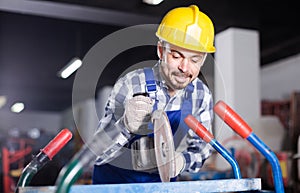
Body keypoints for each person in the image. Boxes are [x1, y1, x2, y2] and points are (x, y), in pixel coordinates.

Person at [92, 4, 215, 184]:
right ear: (160, 51)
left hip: (161, 186)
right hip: (115, 184)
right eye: (176, 56)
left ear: (203, 60)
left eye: (194, 59)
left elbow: (203, 147)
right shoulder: (131, 85)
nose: (185, 67)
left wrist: (181, 162)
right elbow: (97, 151)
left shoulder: (201, 95)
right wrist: (124, 126)